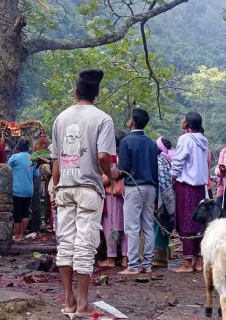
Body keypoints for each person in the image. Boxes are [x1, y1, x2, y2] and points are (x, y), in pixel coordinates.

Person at [51, 69, 117, 318]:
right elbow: (102, 157)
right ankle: (82, 305)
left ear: (76, 92)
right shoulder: (103, 119)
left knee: (65, 244)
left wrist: (56, 191)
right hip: (89, 188)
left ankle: (68, 302)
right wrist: (111, 173)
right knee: (85, 246)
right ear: (97, 93)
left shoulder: (60, 118)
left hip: (65, 187)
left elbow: (55, 162)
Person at [117, 109, 158, 275]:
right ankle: (147, 265)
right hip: (150, 187)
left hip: (133, 187)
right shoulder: (151, 143)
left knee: (132, 227)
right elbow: (155, 170)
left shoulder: (126, 141)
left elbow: (123, 168)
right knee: (148, 225)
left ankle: (133, 265)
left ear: (132, 121)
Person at [171, 112, 210, 273]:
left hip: (186, 185)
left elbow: (178, 160)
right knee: (200, 223)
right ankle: (199, 261)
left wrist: (173, 176)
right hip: (200, 187)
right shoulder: (203, 139)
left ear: (187, 123)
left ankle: (187, 262)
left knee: (186, 222)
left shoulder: (185, 139)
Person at [98, 130, 128, 268]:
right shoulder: (126, 156)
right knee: (125, 227)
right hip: (126, 194)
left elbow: (106, 179)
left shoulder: (111, 157)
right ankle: (125, 258)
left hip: (112, 195)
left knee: (111, 226)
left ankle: (111, 257)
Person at [8, 139, 40, 242]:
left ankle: (17, 235)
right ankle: (22, 235)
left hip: (17, 190)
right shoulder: (33, 159)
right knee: (25, 213)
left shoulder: (14, 158)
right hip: (28, 190)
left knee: (17, 214)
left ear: (17, 148)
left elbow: (6, 171)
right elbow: (36, 174)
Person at [153, 136, 176, 268]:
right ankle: (161, 257)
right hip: (168, 197)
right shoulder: (169, 160)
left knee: (155, 224)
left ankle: (153, 256)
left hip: (158, 196)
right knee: (163, 226)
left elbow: (158, 181)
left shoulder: (158, 161)